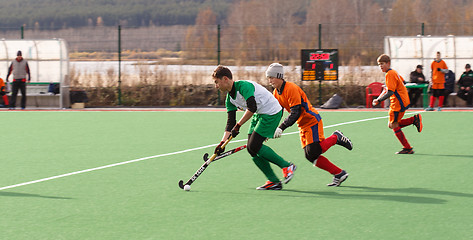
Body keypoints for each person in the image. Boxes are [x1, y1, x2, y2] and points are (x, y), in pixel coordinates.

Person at [267, 63, 353, 187]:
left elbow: (295, 113)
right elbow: (278, 113)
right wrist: (270, 129)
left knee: (314, 150)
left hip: (311, 120)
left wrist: (282, 127)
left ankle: (336, 137)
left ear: (279, 76)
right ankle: (339, 174)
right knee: (310, 156)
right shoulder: (276, 93)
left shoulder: (291, 88)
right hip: (302, 124)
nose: (269, 80)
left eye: (272, 77)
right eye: (268, 77)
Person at [212, 65, 296, 190]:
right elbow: (230, 123)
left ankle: (287, 166)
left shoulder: (244, 87)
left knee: (254, 145)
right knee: (252, 149)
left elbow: (252, 107)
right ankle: (273, 181)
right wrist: (222, 143)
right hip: (259, 114)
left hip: (271, 112)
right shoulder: (229, 99)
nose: (216, 86)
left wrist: (238, 125)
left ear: (225, 79)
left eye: (216, 82)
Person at [373, 54, 423, 154]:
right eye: (379, 65)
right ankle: (413, 120)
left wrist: (379, 100)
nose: (381, 66)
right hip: (400, 102)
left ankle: (408, 148)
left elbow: (390, 92)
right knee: (391, 125)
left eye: (382, 64)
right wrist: (380, 96)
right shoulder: (392, 72)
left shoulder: (389, 74)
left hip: (398, 104)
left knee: (393, 125)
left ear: (388, 63)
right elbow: (399, 84)